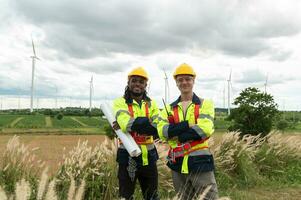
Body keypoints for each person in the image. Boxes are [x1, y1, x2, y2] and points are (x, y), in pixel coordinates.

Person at [157, 63, 218, 199]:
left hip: (200, 161)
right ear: (176, 83)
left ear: (193, 81)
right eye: (180, 80)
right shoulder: (168, 108)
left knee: (209, 197)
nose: (184, 82)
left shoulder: (205, 104)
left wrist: (176, 133)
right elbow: (162, 132)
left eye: (187, 79)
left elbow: (205, 129)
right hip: (177, 163)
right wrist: (189, 125)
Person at [113, 67, 160, 200]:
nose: (137, 84)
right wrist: (148, 122)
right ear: (128, 83)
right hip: (127, 156)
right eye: (134, 81)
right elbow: (125, 123)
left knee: (152, 197)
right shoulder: (119, 102)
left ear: (146, 85)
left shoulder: (152, 104)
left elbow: (158, 127)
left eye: (141, 81)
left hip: (149, 156)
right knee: (126, 196)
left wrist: (131, 125)